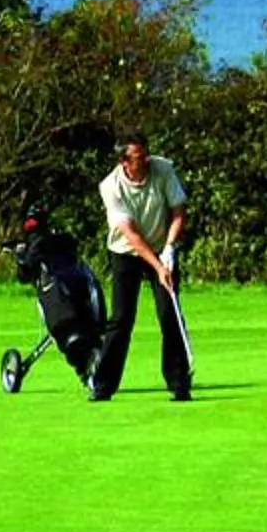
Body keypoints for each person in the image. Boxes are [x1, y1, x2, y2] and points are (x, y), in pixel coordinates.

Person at [93, 131, 195, 400]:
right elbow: (131, 235)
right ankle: (103, 385)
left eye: (147, 153)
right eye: (139, 157)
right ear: (124, 162)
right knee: (121, 318)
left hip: (162, 247)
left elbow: (178, 211)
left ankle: (179, 383)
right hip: (126, 252)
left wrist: (170, 249)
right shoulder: (111, 186)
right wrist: (158, 267)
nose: (146, 160)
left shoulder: (163, 169)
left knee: (169, 313)